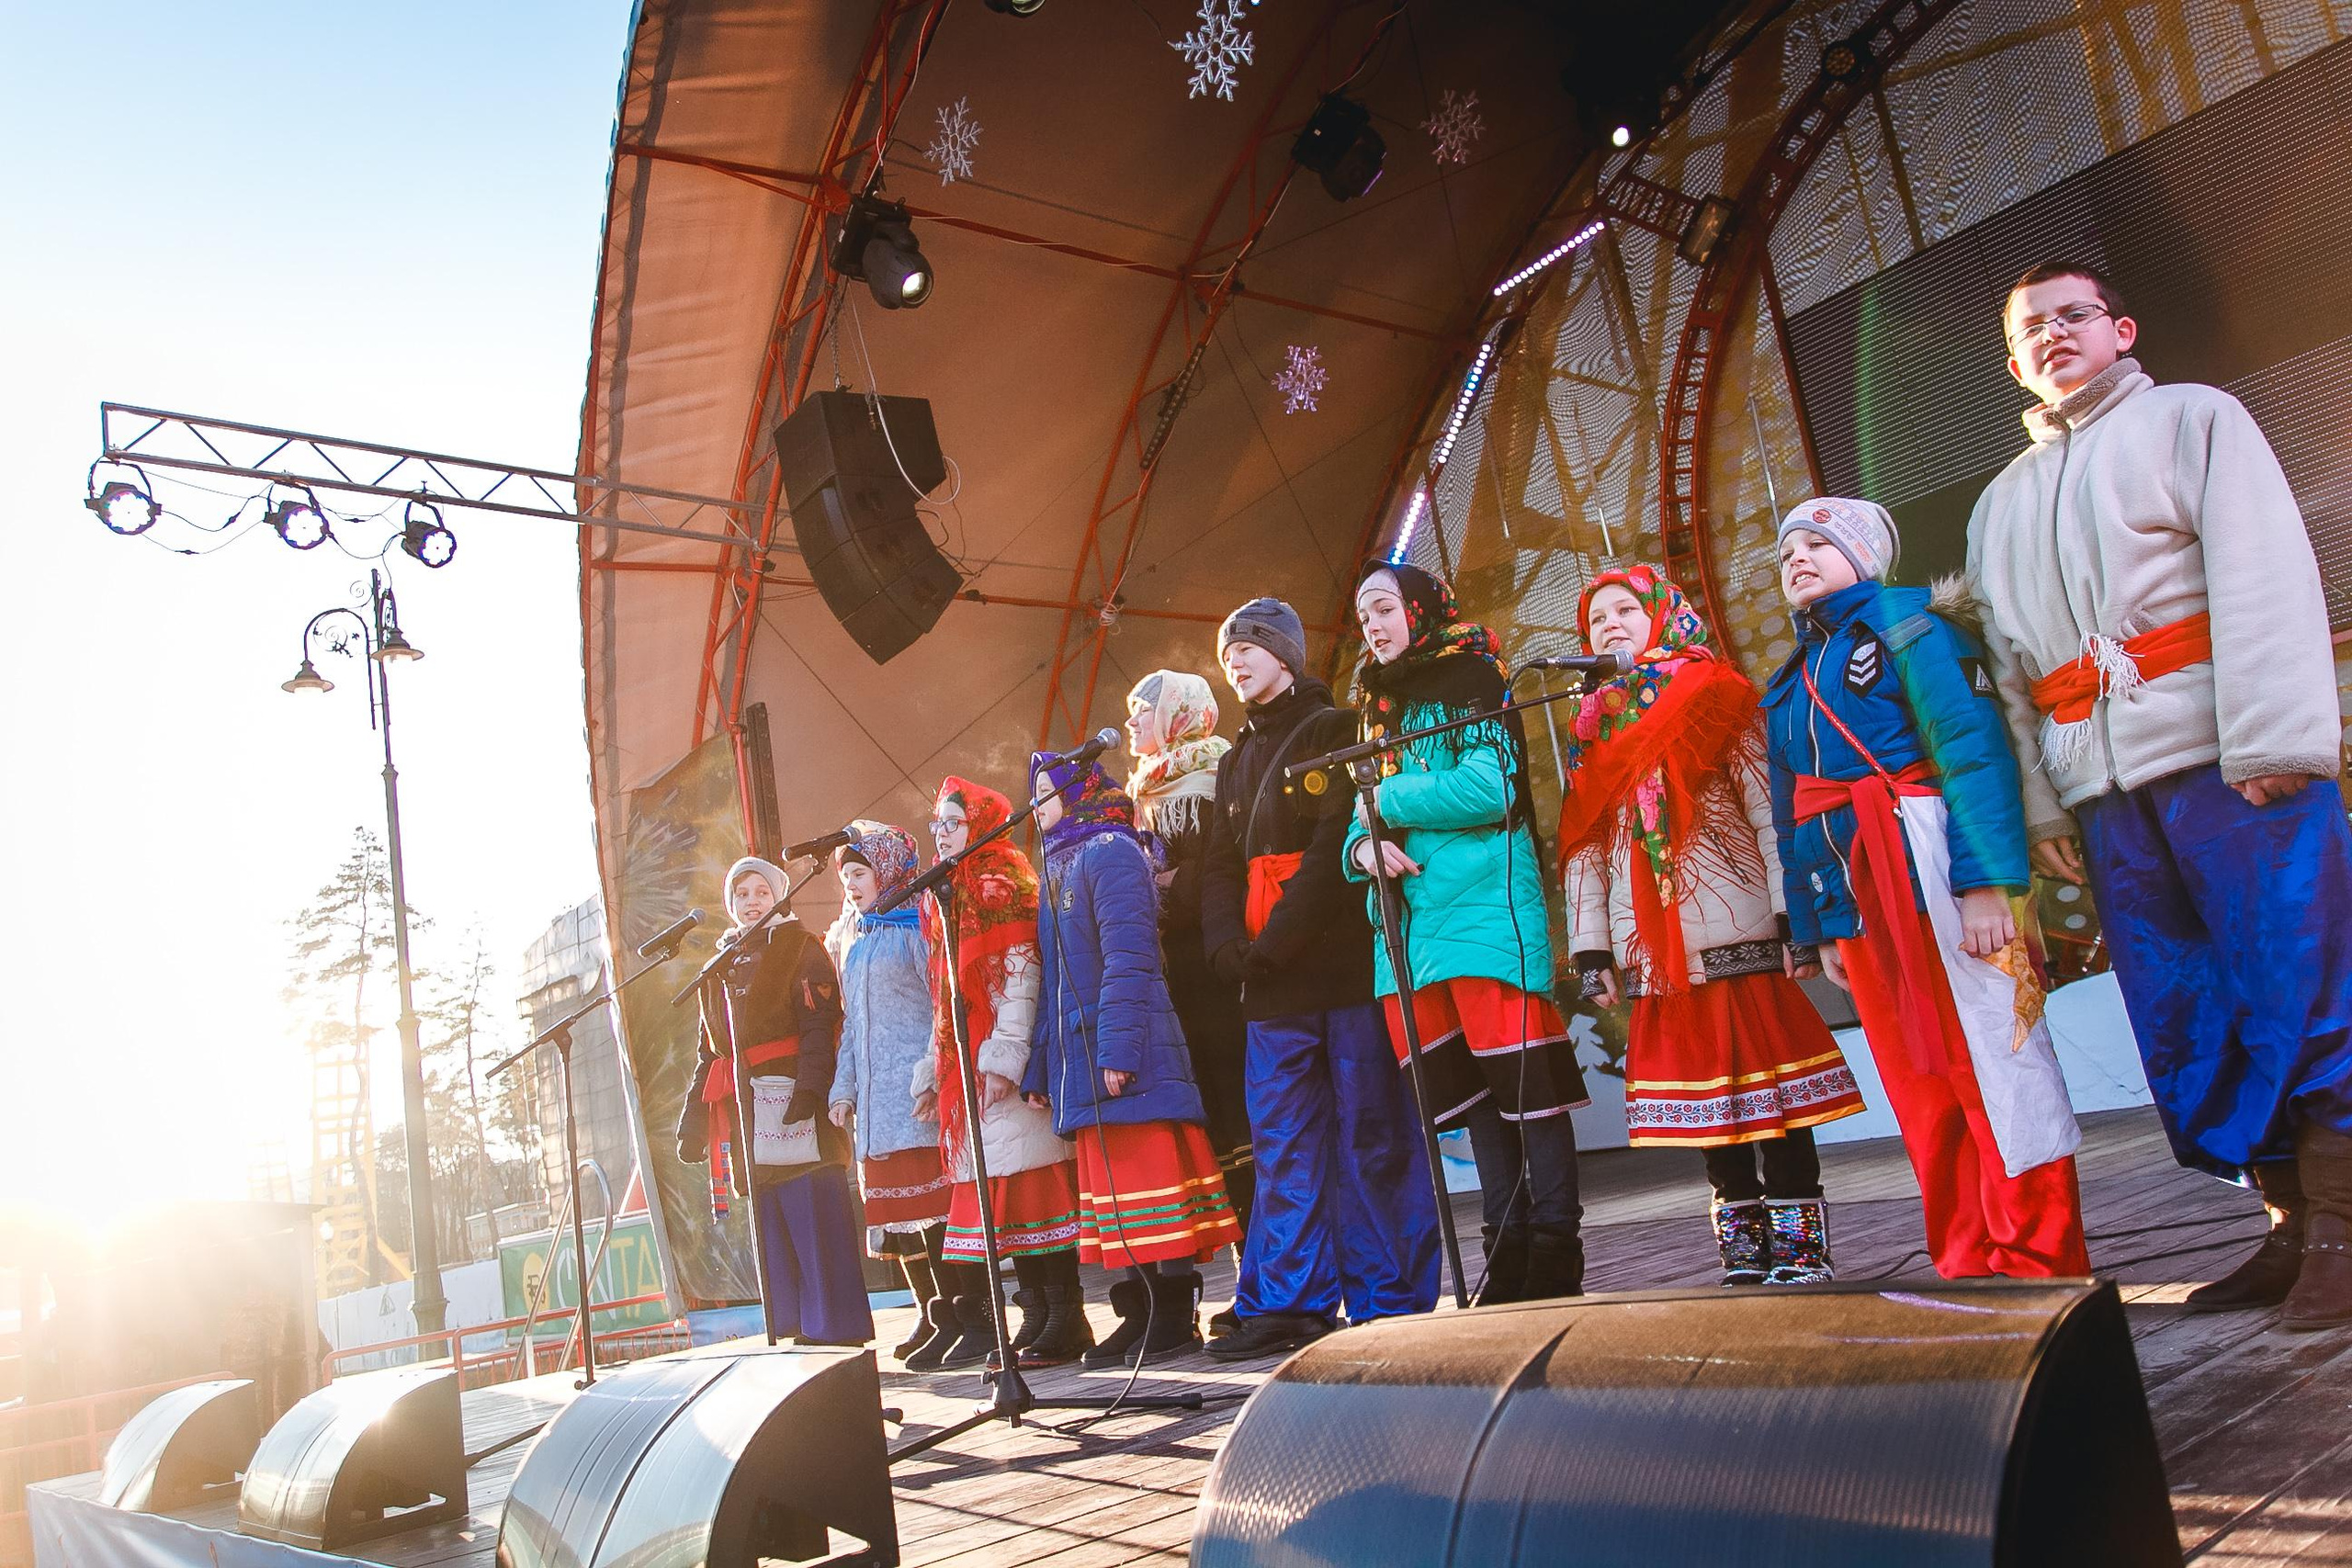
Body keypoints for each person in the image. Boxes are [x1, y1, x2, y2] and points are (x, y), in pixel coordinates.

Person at [1967, 261, 2352, 1326]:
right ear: (2012, 361)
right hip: (2105, 791)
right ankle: (2285, 1222)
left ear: (2121, 329)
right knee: (2190, 1011)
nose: (2052, 335)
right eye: (2030, 327)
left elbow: (2264, 569)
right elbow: (2006, 675)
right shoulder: (1999, 503)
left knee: (2302, 981)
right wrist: (2045, 811)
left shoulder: (2194, 419)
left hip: (2227, 758)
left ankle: (2344, 1228)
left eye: (2071, 316)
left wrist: (2274, 737)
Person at [1763, 497, 2090, 1280]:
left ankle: (2040, 1256)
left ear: (1868, 554)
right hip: (1860, 899)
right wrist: (1817, 929)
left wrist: (1987, 886)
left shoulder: (1916, 628)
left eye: (1819, 542)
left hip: (1936, 867)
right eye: (1786, 552)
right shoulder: (1784, 684)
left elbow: (1975, 757)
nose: (1798, 558)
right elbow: (1792, 818)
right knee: (1919, 1083)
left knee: (1994, 1057)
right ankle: (1967, 1256)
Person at [1562, 565, 1867, 1285]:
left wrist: (1796, 914)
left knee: (1777, 1103)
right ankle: (1743, 1244)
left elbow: (1770, 809)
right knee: (1710, 1114)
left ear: (1663, 614)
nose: (1607, 623)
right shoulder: (1593, 728)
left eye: (1623, 609)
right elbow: (1585, 850)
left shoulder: (1717, 694)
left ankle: (1799, 1248)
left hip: (1739, 934)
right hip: (1656, 954)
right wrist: (1591, 947)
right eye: (1595, 618)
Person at [1200, 596, 1442, 1360]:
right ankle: (1293, 1298)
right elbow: (1216, 864)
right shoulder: (1235, 756)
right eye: (1228, 648)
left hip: (1338, 968)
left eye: (1250, 644)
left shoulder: (1337, 728)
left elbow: (1338, 844)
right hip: (1267, 980)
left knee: (1372, 1129)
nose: (1235, 659)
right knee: (1281, 1139)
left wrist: (1273, 941)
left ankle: (1389, 1295)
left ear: (1287, 654)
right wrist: (1223, 948)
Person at [1344, 562, 1589, 1303]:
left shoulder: (1478, 677)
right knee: (1474, 1103)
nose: (1373, 627)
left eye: (1384, 608)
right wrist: (1361, 849)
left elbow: (1492, 787)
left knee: (1527, 1095)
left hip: (1484, 907)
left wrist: (1388, 793)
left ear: (1420, 609)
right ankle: (1504, 1250)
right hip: (1411, 929)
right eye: (1363, 618)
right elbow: (1358, 822)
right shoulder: (1375, 703)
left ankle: (1555, 1249)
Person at [1023, 752, 1244, 1366]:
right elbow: (1054, 977)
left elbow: (1131, 956)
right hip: (1083, 1054)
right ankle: (1139, 1310)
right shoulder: (1059, 865)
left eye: (1047, 791)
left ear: (1079, 792)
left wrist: (1117, 1050)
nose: (1036, 804)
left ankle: (1174, 1312)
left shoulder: (1112, 851)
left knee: (1150, 1188)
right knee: (1119, 1200)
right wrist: (1042, 1067)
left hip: (1126, 1050)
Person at [915, 777, 1089, 1370]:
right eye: (936, 822)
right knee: (1008, 1205)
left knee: (1032, 1192)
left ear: (982, 823)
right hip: (970, 1063)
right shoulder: (950, 890)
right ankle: (1039, 1317)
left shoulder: (1002, 880)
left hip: (1004, 1065)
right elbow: (944, 995)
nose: (939, 833)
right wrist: (931, 1073)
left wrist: (1003, 1061)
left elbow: (1022, 978)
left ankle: (1065, 1319)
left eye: (951, 823)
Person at [676, 856, 874, 1346]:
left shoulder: (801, 947)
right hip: (747, 1108)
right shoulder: (718, 965)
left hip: (796, 1094)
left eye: (761, 892)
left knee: (813, 1211)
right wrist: (694, 1121)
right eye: (742, 894)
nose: (751, 902)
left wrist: (809, 1089)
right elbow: (710, 1051)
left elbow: (819, 1024)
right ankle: (791, 1325)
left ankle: (834, 1328)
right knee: (773, 1221)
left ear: (778, 896)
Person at [1125, 670, 1254, 1231]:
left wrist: (1171, 883)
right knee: (1208, 1115)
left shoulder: (1217, 775)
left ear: (1177, 713)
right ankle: (1244, 1258)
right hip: (1175, 977)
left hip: (1219, 969)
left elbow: (1235, 868)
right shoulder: (1138, 794)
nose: (1130, 722)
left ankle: (1269, 1251)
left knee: (1238, 1101)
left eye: (1142, 711)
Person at [823, 822, 952, 1366]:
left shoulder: (920, 927)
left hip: (916, 1095)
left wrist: (932, 1075)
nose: (851, 884)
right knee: (898, 1220)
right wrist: (843, 1088)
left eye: (860, 872)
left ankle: (964, 1314)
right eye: (846, 876)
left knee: (935, 1209)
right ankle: (931, 1311)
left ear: (888, 869)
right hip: (876, 1105)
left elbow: (943, 1004)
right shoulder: (860, 942)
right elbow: (852, 1026)